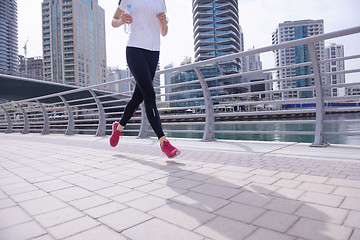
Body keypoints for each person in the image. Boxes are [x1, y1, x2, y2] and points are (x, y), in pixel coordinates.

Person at [109, 0, 181, 159]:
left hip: (154, 52)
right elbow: (114, 21)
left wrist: (164, 22)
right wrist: (122, 20)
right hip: (135, 49)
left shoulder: (160, 1)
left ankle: (118, 128)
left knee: (138, 97)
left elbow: (164, 32)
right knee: (149, 94)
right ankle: (164, 142)